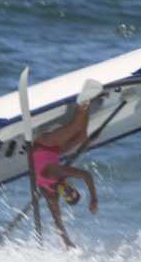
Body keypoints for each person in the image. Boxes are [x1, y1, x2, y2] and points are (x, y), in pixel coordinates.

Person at [32, 100, 99, 249]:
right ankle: (88, 104)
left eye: (67, 193)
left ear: (62, 196)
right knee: (82, 138)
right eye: (71, 190)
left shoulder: (53, 185)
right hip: (54, 152)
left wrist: (94, 199)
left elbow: (57, 218)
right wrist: (67, 242)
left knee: (75, 127)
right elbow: (85, 175)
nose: (67, 189)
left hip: (42, 145)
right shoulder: (60, 181)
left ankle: (83, 103)